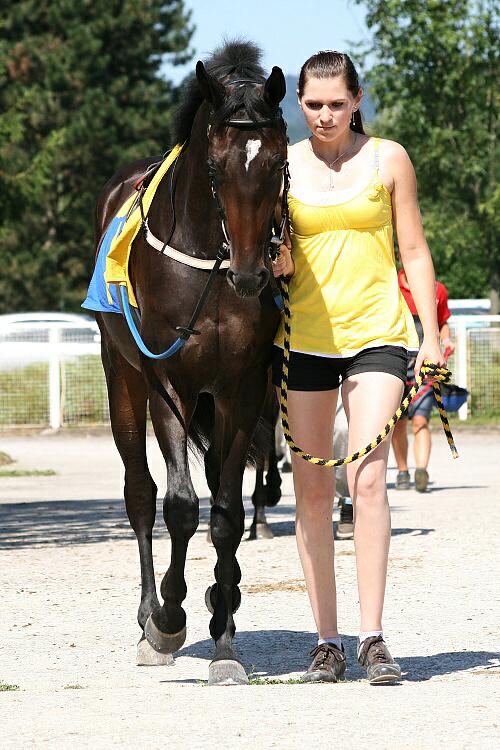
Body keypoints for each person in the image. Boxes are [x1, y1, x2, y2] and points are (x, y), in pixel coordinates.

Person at [271, 50, 445, 684]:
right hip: (306, 341)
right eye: (312, 104)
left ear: (357, 99)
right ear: (299, 102)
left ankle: (372, 637)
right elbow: (266, 250)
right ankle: (327, 641)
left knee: (367, 480)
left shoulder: (388, 158)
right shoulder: (283, 165)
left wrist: (429, 332)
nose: (323, 115)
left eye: (335, 103)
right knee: (312, 490)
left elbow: (415, 250)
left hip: (378, 334)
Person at [392, 270, 454, 492]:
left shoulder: (438, 290)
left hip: (425, 366)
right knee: (398, 423)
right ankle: (402, 471)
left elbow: (443, 321)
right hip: (397, 361)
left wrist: (446, 341)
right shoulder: (391, 285)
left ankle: (421, 470)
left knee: (420, 420)